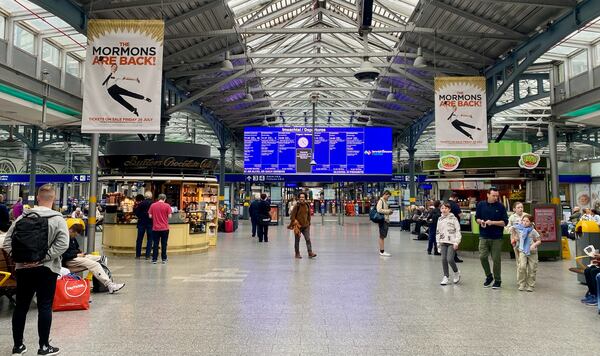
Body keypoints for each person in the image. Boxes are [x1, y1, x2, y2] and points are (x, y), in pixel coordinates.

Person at [2, 184, 69, 356]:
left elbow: (7, 243)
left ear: (38, 198)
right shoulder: (58, 219)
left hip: (23, 269)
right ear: (53, 199)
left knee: (21, 307)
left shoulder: (21, 218)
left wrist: (22, 259)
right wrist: (42, 258)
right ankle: (44, 347)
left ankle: (18, 347)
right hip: (47, 269)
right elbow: (63, 244)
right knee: (45, 306)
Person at [62, 224, 124, 293]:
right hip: (70, 260)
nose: (76, 236)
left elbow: (76, 249)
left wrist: (80, 253)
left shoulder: (72, 238)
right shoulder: (64, 238)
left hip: (76, 257)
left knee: (101, 258)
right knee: (95, 264)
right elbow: (64, 255)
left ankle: (100, 285)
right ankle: (109, 285)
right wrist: (77, 254)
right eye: (76, 234)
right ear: (71, 231)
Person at [475, 187, 508, 289]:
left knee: (496, 259)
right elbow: (477, 218)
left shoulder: (501, 207)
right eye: (493, 195)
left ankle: (497, 280)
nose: (495, 197)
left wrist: (492, 222)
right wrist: (480, 221)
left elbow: (504, 222)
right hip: (483, 235)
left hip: (496, 237)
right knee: (482, 257)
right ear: (488, 195)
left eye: (497, 196)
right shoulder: (481, 205)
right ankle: (489, 276)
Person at [509, 214, 541, 292]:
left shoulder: (533, 231)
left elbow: (539, 240)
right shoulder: (519, 229)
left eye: (527, 221)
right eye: (523, 220)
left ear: (531, 223)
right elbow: (512, 230)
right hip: (522, 250)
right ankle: (522, 283)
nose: (525, 222)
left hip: (532, 252)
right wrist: (515, 237)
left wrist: (534, 244)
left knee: (532, 269)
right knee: (522, 267)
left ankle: (530, 285)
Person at [437, 202, 462, 285]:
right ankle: (446, 276)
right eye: (442, 208)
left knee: (450, 259)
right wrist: (438, 244)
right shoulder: (439, 219)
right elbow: (438, 232)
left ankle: (456, 272)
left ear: (449, 209)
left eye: (446, 208)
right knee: (443, 259)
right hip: (443, 241)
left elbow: (458, 231)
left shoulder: (454, 219)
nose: (444, 210)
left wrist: (456, 242)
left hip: (452, 242)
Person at [289, 192, 316, 259]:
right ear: (299, 198)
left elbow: (309, 215)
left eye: (303, 197)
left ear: (305, 198)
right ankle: (297, 253)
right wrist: (294, 222)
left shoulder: (307, 205)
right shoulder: (297, 206)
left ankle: (310, 253)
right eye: (300, 197)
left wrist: (309, 223)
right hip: (298, 226)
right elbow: (292, 216)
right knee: (297, 240)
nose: (302, 198)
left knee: (308, 239)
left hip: (306, 226)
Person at [148, 194, 172, 264]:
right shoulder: (167, 205)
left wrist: (156, 216)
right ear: (164, 199)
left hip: (155, 228)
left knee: (155, 244)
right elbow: (170, 216)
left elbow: (150, 216)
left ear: (158, 198)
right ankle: (164, 259)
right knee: (164, 244)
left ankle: (154, 259)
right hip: (165, 228)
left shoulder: (153, 205)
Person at [134, 192, 154, 259]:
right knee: (150, 239)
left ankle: (138, 255)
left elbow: (136, 213)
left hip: (141, 223)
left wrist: (141, 216)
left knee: (139, 239)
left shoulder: (140, 204)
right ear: (151, 197)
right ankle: (147, 255)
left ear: (145, 196)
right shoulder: (153, 204)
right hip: (150, 223)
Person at [507, 201, 525, 267]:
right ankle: (520, 270)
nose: (521, 209)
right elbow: (507, 227)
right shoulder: (512, 217)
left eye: (522, 207)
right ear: (514, 209)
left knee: (526, 256)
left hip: (526, 240)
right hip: (516, 240)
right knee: (519, 257)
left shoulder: (526, 215)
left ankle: (525, 268)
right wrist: (512, 229)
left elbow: (532, 225)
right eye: (518, 207)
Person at [376, 190, 393, 257]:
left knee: (382, 236)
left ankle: (382, 250)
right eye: (388, 196)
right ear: (385, 194)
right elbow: (379, 210)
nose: (388, 198)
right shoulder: (381, 201)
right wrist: (388, 211)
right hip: (382, 220)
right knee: (382, 236)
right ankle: (382, 251)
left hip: (385, 220)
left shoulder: (385, 201)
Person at [448, 193, 464, 263]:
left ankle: (449, 256)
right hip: (454, 225)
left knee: (448, 240)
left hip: (446, 226)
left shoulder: (446, 204)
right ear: (455, 198)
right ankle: (454, 257)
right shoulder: (455, 205)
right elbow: (461, 215)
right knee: (455, 241)